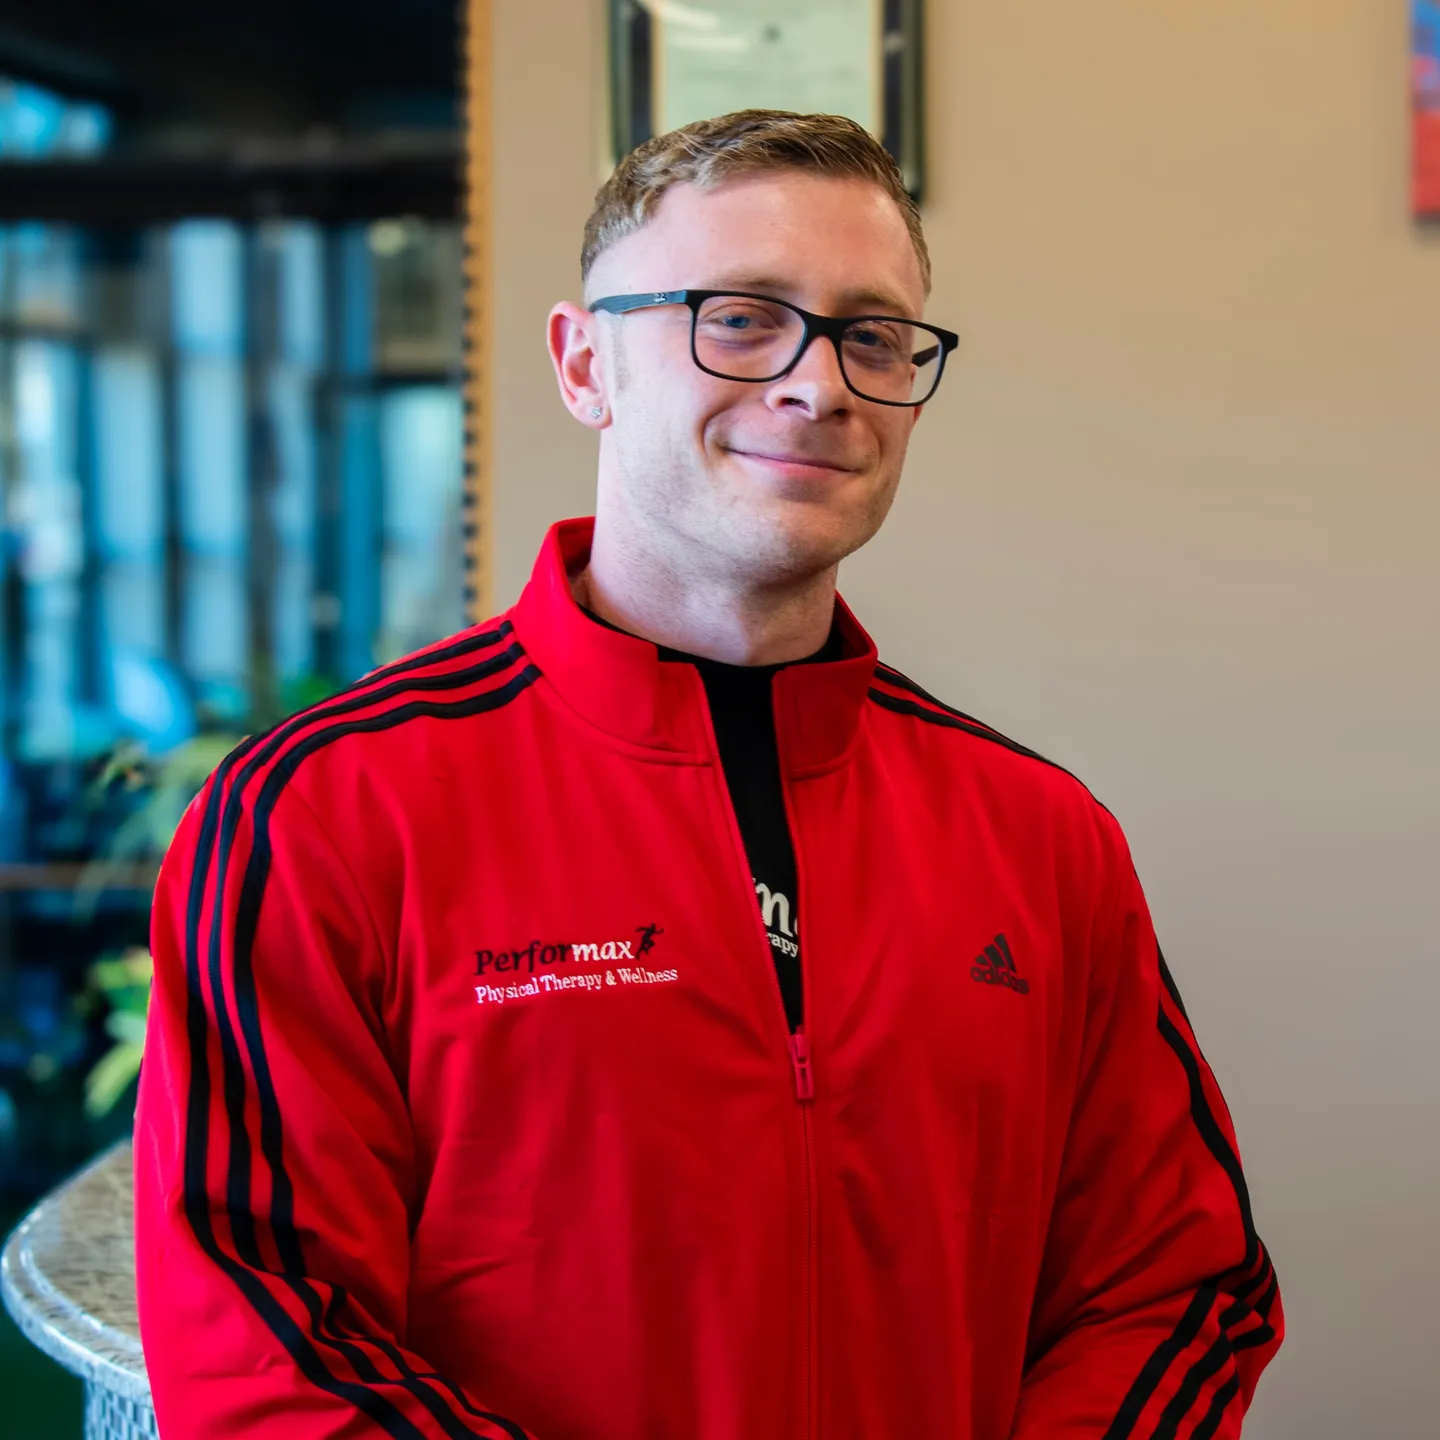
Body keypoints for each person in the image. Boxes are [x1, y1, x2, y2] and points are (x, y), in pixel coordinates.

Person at [134, 110, 1283, 1439]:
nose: (821, 383)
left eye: (871, 333)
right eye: (739, 317)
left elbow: (1180, 1290)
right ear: (584, 363)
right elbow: (271, 1335)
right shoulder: (323, 812)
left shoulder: (1042, 834)